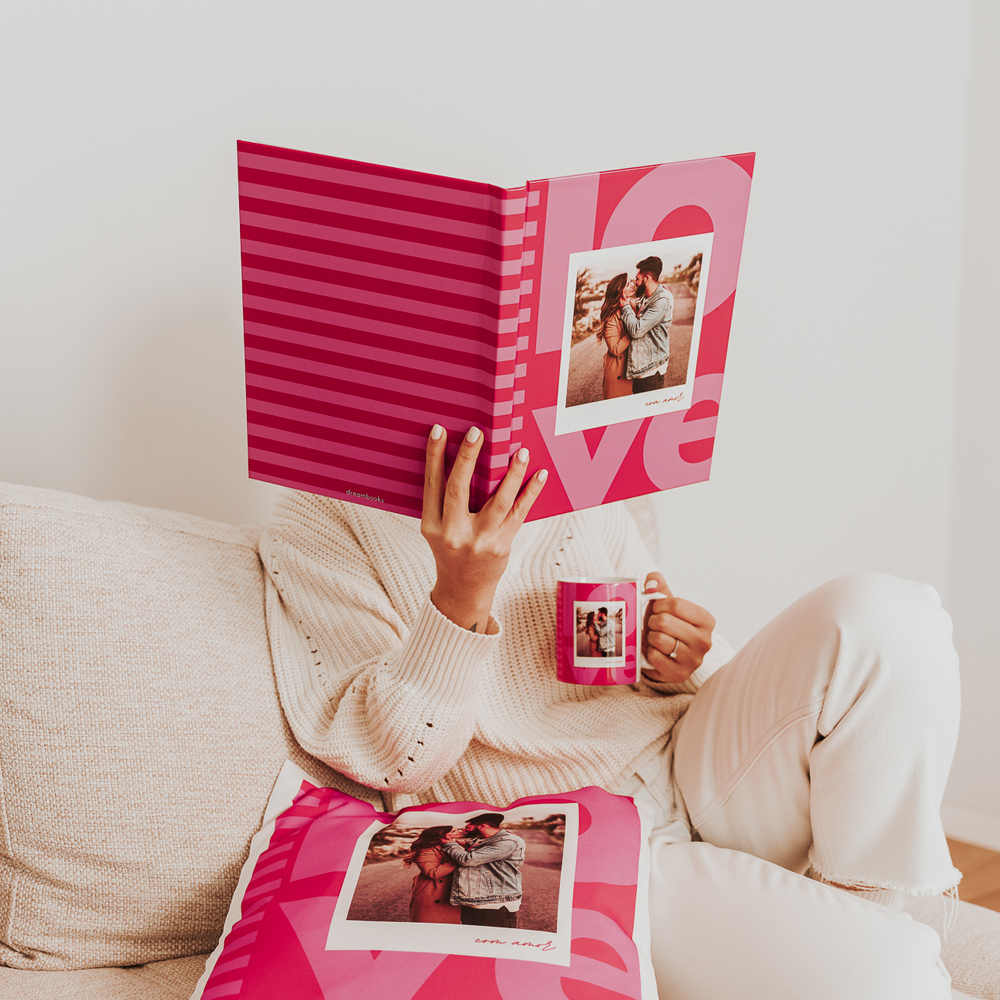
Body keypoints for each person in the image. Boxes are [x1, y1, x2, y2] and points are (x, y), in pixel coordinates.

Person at [260, 424, 961, 999]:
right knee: (891, 976)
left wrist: (676, 659)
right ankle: (865, 942)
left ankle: (869, 919)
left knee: (890, 619)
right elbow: (389, 758)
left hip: (689, 759)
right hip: (579, 842)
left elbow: (638, 639)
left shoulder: (561, 464)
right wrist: (460, 598)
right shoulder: (317, 511)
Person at [440, 813, 525, 927]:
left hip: (496, 904)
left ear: (481, 826)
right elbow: (471, 845)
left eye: (468, 827)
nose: (465, 830)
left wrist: (450, 845)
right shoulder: (486, 839)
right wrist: (452, 840)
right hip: (474, 902)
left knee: (495, 938)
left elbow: (468, 859)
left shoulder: (507, 842)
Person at [621, 255, 673, 393]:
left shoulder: (661, 300)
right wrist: (622, 298)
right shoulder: (647, 297)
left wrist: (625, 307)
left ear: (647, 278)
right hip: (643, 370)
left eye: (637, 279)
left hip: (651, 371)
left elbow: (636, 330)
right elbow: (637, 306)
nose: (635, 282)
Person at [401, 825, 462, 924]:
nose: (459, 831)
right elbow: (432, 873)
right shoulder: (426, 850)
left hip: (449, 893)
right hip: (432, 894)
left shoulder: (451, 845)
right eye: (453, 831)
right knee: (428, 927)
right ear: (441, 835)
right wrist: (460, 860)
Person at [595, 272, 634, 399]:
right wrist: (633, 330)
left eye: (631, 282)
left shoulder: (629, 305)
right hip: (617, 372)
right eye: (628, 284)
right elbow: (615, 349)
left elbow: (646, 306)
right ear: (620, 291)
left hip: (630, 369)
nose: (632, 285)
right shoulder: (611, 317)